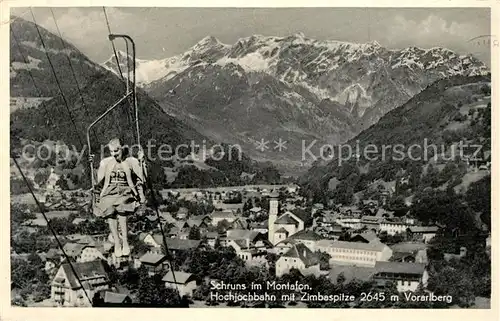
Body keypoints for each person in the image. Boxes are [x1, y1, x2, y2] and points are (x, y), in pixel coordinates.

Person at [91, 138, 146, 257]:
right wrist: (92, 165)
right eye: (111, 151)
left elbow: (141, 178)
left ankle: (125, 241)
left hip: (125, 189)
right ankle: (117, 241)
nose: (114, 154)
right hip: (109, 190)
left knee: (122, 210)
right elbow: (98, 180)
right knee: (109, 211)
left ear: (122, 148)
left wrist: (142, 163)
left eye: (116, 151)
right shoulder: (106, 162)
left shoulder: (131, 161)